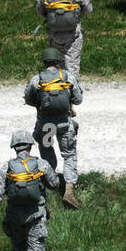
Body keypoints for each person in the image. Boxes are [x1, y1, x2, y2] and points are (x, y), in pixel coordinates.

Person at [23, 49, 83, 209]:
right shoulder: (68, 77)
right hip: (64, 123)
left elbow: (28, 99)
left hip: (46, 125)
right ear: (58, 62)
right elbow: (78, 99)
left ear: (44, 62)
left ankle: (51, 184)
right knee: (69, 155)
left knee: (47, 150)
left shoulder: (37, 79)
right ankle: (69, 190)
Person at [35, 0, 92, 80]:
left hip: (54, 33)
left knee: (56, 64)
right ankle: (73, 92)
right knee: (72, 65)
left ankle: (58, 89)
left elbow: (39, 11)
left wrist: (51, 17)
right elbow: (89, 11)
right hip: (73, 34)